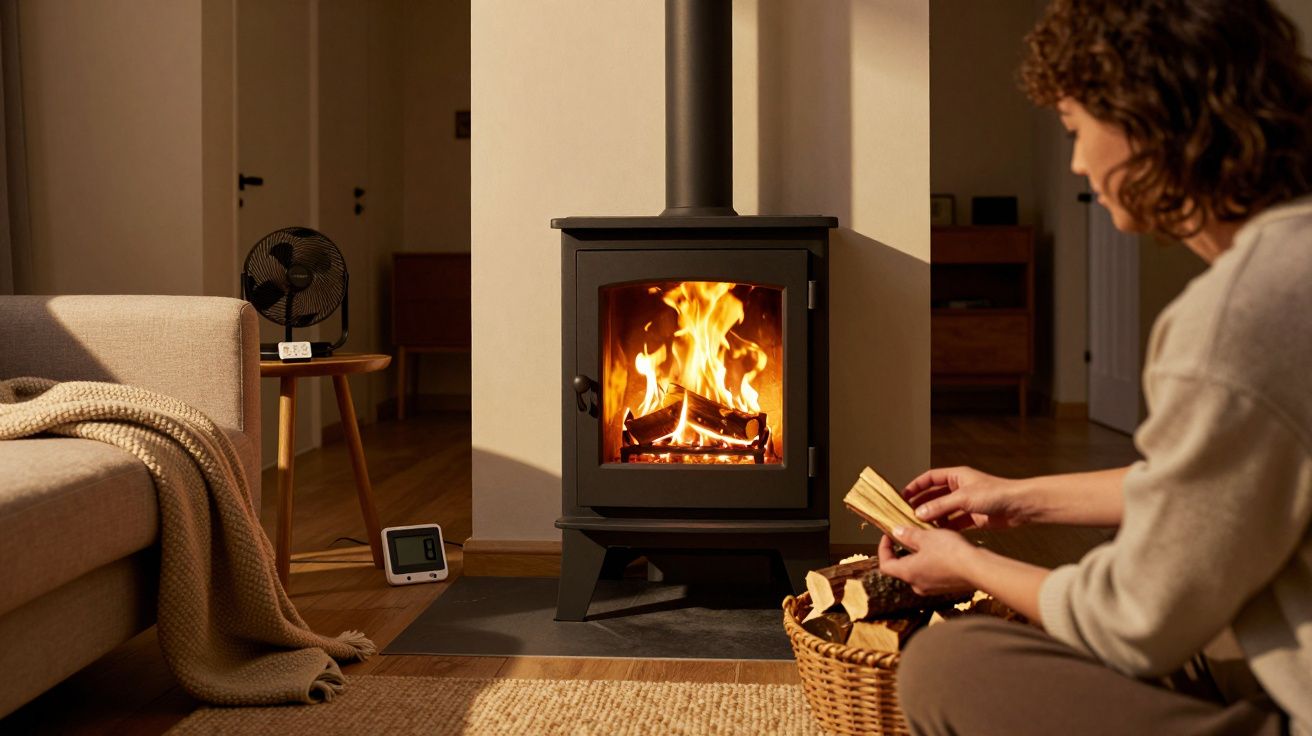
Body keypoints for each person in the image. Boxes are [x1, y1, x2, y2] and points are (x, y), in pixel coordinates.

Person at [880, 0, 1312, 733]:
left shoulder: (1240, 317)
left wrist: (967, 564)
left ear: (1147, 116)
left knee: (950, 664)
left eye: (1076, 127)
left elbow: (1131, 620)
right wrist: (1018, 497)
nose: (1077, 163)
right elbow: (1211, 492)